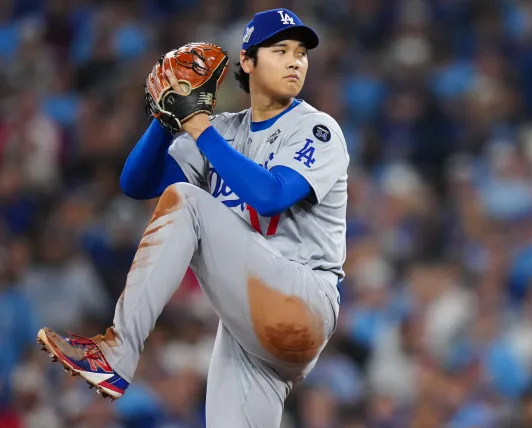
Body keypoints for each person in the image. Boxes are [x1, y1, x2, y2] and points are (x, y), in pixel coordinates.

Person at [36, 8, 347, 427]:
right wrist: (165, 118)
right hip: (251, 330)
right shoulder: (223, 130)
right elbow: (137, 183)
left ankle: (117, 351)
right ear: (248, 61)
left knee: (187, 200)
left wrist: (198, 127)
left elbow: (271, 196)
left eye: (301, 53)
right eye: (280, 51)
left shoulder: (315, 128)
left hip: (304, 300)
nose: (295, 61)